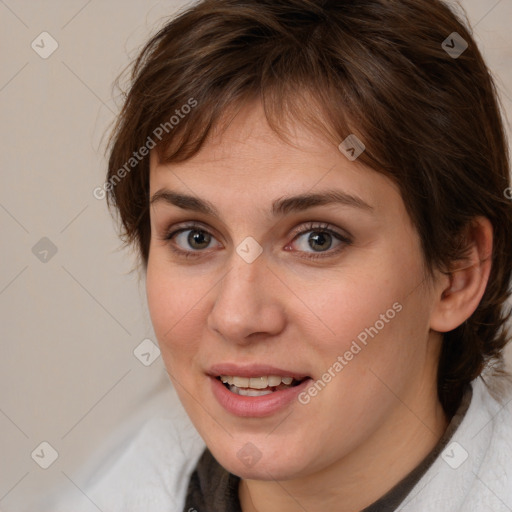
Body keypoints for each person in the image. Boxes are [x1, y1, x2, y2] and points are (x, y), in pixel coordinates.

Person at [57, 0, 512, 510]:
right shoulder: (108, 487)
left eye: (318, 239)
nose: (236, 316)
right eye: (195, 237)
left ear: (457, 273)